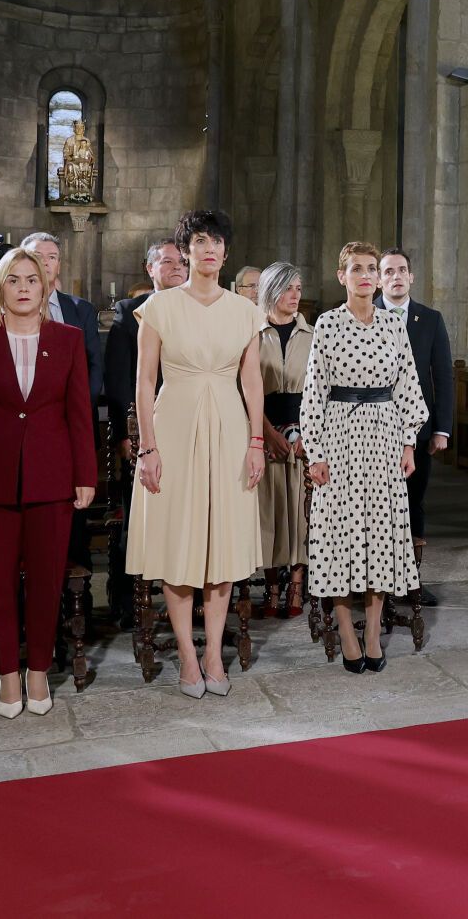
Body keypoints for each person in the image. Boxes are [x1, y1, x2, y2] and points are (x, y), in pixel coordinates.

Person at [0, 250, 97, 717]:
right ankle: (7, 676)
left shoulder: (68, 339)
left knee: (48, 581)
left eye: (33, 279)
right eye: (14, 280)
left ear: (46, 286)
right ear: (0, 288)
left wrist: (85, 474)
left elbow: (78, 414)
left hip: (52, 479)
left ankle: (37, 673)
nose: (25, 287)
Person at [129, 210, 264, 699]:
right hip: (175, 424)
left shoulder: (246, 311)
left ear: (226, 252)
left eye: (217, 242)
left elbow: (252, 382)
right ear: (186, 250)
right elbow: (145, 381)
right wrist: (148, 446)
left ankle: (213, 655)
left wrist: (255, 443)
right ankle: (188, 657)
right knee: (179, 543)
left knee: (222, 544)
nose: (209, 249)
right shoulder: (159, 307)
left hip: (229, 428)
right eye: (200, 241)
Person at [301, 242, 427, 674]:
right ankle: (346, 629)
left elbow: (409, 385)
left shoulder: (394, 326)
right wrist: (314, 452)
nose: (366, 275)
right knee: (339, 534)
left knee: (381, 535)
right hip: (339, 437)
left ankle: (373, 631)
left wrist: (409, 441)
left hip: (385, 438)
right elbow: (313, 391)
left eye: (372, 268)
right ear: (342, 276)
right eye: (357, 269)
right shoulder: (327, 324)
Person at [379, 247, 452, 607]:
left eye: (401, 270)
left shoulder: (430, 319)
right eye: (388, 271)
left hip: (418, 431)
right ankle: (376, 582)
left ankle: (412, 580)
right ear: (379, 279)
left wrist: (442, 429)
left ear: (411, 277)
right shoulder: (365, 315)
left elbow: (443, 376)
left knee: (413, 503)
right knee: (376, 507)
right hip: (373, 429)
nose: (396, 276)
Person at [255, 262, 313, 620]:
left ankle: (296, 585)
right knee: (269, 513)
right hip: (265, 431)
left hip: (304, 432)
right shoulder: (252, 331)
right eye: (288, 288)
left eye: (298, 288)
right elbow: (245, 389)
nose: (295, 295)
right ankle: (271, 587)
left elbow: (321, 390)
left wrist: (309, 432)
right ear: (271, 290)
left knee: (299, 514)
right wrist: (265, 432)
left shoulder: (313, 333)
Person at [0, 232, 103, 400]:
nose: (45, 262)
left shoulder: (82, 310)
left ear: (59, 266)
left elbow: (94, 366)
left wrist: (82, 406)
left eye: (52, 257)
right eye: (37, 256)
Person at [105, 239, 189, 460]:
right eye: (168, 261)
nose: (177, 267)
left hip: (190, 416)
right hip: (145, 420)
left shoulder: (202, 310)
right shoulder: (130, 310)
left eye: (182, 262)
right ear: (150, 268)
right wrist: (125, 432)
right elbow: (118, 379)